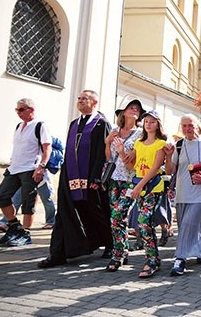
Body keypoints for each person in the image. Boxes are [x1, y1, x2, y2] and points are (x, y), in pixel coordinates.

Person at [38, 90, 112, 268]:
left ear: (94, 102)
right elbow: (69, 151)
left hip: (91, 180)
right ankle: (58, 253)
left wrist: (97, 178)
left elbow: (102, 154)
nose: (79, 101)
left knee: (96, 213)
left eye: (84, 99)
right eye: (79, 98)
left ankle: (110, 243)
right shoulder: (73, 123)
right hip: (71, 177)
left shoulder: (101, 124)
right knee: (64, 214)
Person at [165, 114, 201, 276]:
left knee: (188, 225)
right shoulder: (179, 145)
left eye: (190, 125)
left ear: (197, 126)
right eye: (184, 126)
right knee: (186, 227)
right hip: (182, 192)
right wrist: (168, 155)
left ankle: (180, 260)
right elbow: (170, 171)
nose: (188, 129)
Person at [0, 98, 52, 246]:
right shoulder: (19, 126)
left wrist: (41, 166)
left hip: (30, 169)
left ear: (30, 110)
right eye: (17, 110)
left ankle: (25, 233)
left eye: (20, 110)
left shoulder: (40, 126)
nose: (17, 112)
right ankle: (14, 225)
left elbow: (47, 148)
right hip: (14, 169)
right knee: (1, 196)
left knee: (28, 202)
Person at [125, 109, 168, 278]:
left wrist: (139, 186)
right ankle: (153, 257)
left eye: (152, 121)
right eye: (146, 121)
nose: (148, 124)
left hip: (152, 187)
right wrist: (121, 150)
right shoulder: (138, 143)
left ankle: (152, 260)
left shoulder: (160, 144)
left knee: (143, 221)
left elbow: (155, 168)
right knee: (141, 223)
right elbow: (130, 164)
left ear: (158, 125)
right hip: (138, 185)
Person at [104, 99, 145, 271]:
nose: (134, 110)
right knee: (117, 218)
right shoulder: (115, 131)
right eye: (131, 108)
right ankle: (123, 251)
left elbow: (132, 163)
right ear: (124, 112)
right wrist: (108, 142)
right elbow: (108, 158)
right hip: (114, 179)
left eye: (137, 109)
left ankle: (118, 254)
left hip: (130, 181)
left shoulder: (140, 134)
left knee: (117, 216)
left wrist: (122, 151)